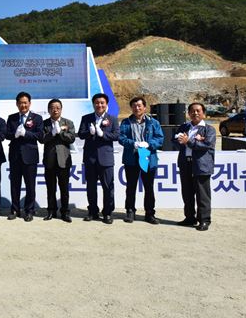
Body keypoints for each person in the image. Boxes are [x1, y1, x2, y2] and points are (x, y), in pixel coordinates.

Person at [119, 96, 164, 224]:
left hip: (147, 158)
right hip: (132, 158)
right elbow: (121, 138)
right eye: (134, 106)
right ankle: (130, 211)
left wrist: (149, 144)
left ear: (144, 107)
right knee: (131, 186)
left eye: (139, 105)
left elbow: (160, 139)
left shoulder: (153, 122)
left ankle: (149, 213)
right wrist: (133, 144)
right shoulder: (126, 122)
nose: (137, 108)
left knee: (149, 187)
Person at [78, 93, 120, 224]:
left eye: (102, 103)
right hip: (90, 158)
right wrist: (88, 133)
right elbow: (80, 134)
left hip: (106, 158)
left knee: (108, 187)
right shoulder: (86, 118)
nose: (99, 105)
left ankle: (107, 213)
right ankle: (92, 211)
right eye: (97, 103)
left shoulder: (112, 119)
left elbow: (116, 135)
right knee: (91, 187)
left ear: (106, 104)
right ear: (93, 104)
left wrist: (103, 134)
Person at [174, 102, 216, 231]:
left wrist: (189, 142)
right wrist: (178, 140)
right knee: (187, 193)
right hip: (185, 163)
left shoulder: (209, 129)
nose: (195, 113)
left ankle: (204, 220)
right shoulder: (184, 127)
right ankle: (189, 217)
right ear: (188, 113)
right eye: (192, 111)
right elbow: (174, 142)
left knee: (202, 194)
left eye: (198, 111)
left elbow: (206, 146)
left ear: (204, 113)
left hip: (201, 165)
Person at [5, 91, 44, 222]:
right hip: (15, 156)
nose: (23, 105)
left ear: (29, 103)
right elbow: (6, 135)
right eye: (21, 103)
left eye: (25, 102)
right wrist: (15, 135)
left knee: (30, 185)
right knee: (15, 185)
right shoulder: (12, 118)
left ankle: (29, 210)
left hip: (30, 157)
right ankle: (15, 209)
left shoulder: (37, 118)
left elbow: (40, 136)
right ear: (17, 104)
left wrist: (26, 133)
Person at [40, 98, 76, 223]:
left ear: (61, 109)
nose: (55, 110)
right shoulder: (44, 124)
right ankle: (51, 211)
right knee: (51, 188)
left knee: (64, 189)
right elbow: (42, 139)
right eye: (52, 108)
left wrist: (60, 132)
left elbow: (71, 138)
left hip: (63, 160)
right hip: (49, 160)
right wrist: (52, 133)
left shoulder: (68, 122)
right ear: (48, 110)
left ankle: (65, 212)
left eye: (57, 108)